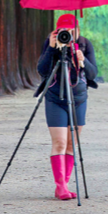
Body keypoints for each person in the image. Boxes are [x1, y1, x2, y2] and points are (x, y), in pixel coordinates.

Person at [36, 13, 98, 200]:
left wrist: (82, 60)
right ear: (56, 31)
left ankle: (65, 184)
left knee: (71, 144)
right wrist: (52, 49)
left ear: (77, 31)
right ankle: (61, 187)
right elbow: (41, 70)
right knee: (60, 143)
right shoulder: (51, 44)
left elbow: (92, 74)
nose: (67, 34)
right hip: (56, 98)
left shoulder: (85, 45)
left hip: (79, 99)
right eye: (63, 31)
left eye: (70, 30)